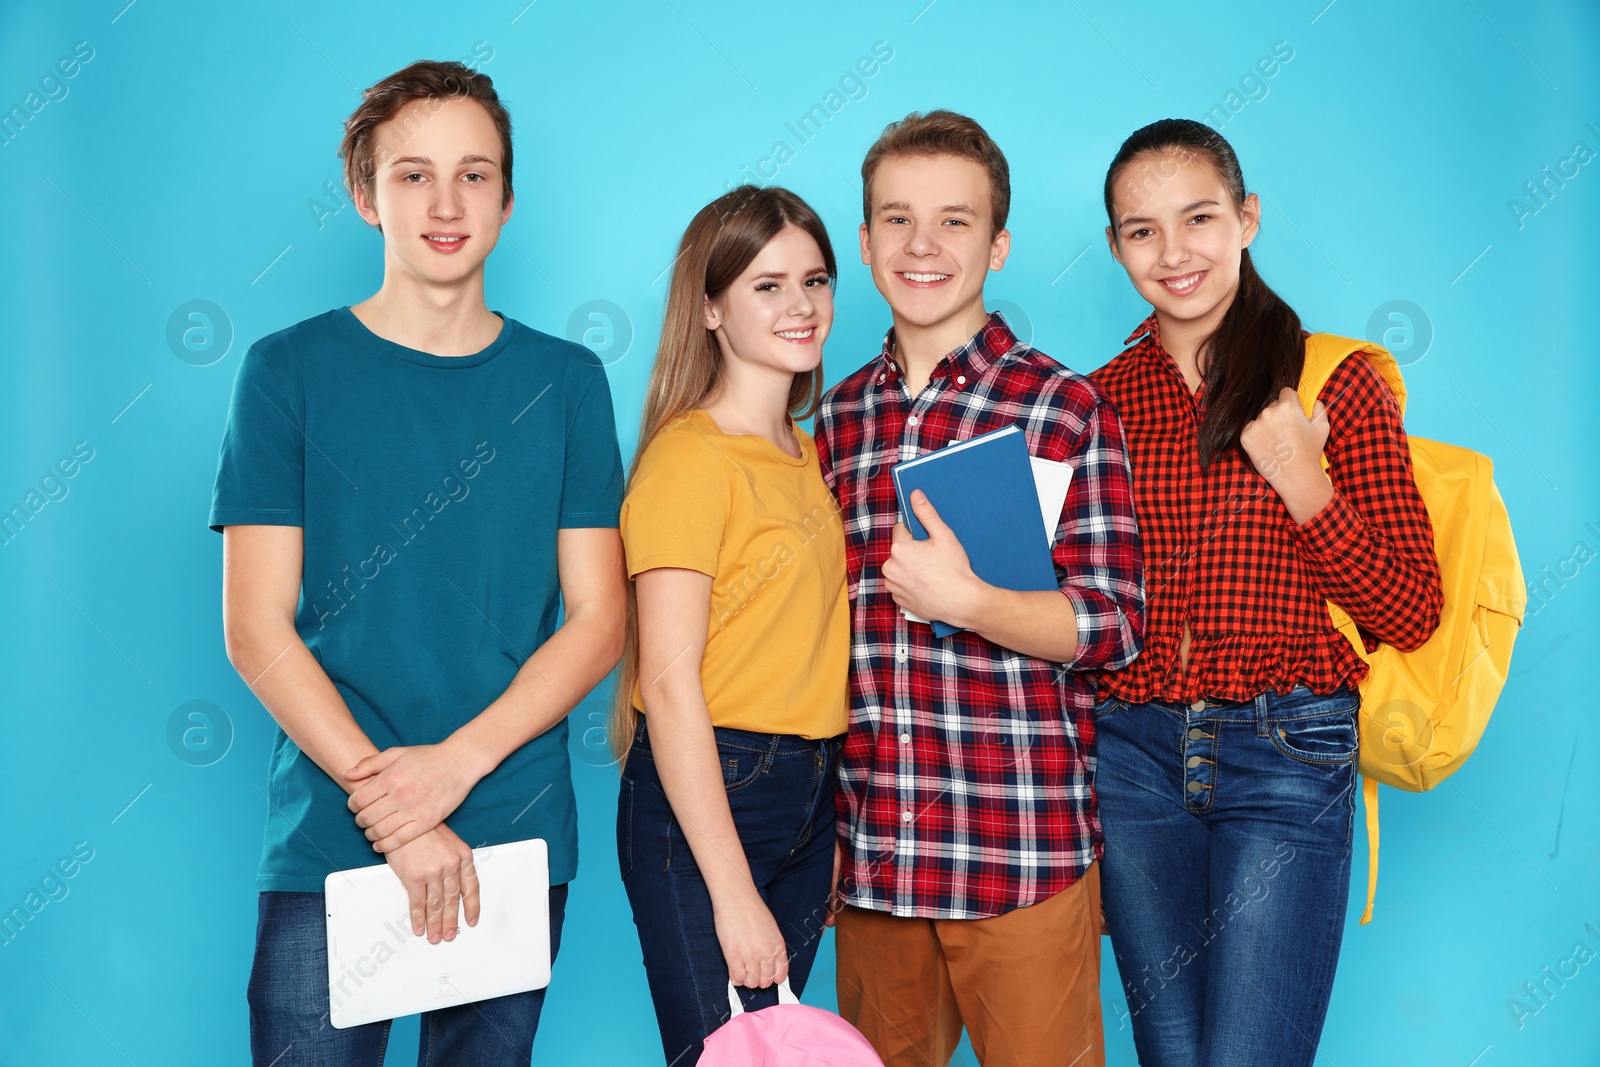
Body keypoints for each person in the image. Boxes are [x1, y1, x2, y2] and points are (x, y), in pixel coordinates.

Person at [211, 60, 627, 1066]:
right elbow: (254, 627)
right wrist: (393, 807)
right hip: (332, 833)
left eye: (474, 175)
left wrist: (454, 767)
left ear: (507, 197)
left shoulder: (567, 382)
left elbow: (599, 619)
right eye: (413, 175)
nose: (446, 203)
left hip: (511, 827)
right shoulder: (287, 370)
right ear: (365, 195)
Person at [1089, 117, 1444, 1067]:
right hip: (1133, 760)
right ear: (1116, 245)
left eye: (1199, 217)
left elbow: (1409, 609)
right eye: (1141, 230)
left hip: (1289, 748)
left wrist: (1304, 480)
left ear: (1246, 218)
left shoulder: (1337, 381)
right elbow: (1081, 607)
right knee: (1171, 1053)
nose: (1174, 253)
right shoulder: (1097, 402)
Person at [814, 110, 1146, 1067]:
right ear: (868, 242)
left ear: (998, 244)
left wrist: (970, 603)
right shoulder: (832, 422)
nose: (924, 245)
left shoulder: (1065, 406)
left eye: (955, 221)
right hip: (874, 858)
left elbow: (1114, 622)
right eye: (897, 220)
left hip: (1023, 853)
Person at [613, 185, 850, 1067]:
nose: (801, 307)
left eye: (816, 280)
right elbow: (670, 685)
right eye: (767, 285)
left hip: (808, 787)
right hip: (716, 787)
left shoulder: (815, 452)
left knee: (779, 1052)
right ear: (709, 307)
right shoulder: (689, 458)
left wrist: (821, 814)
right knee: (724, 1058)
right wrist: (732, 890)